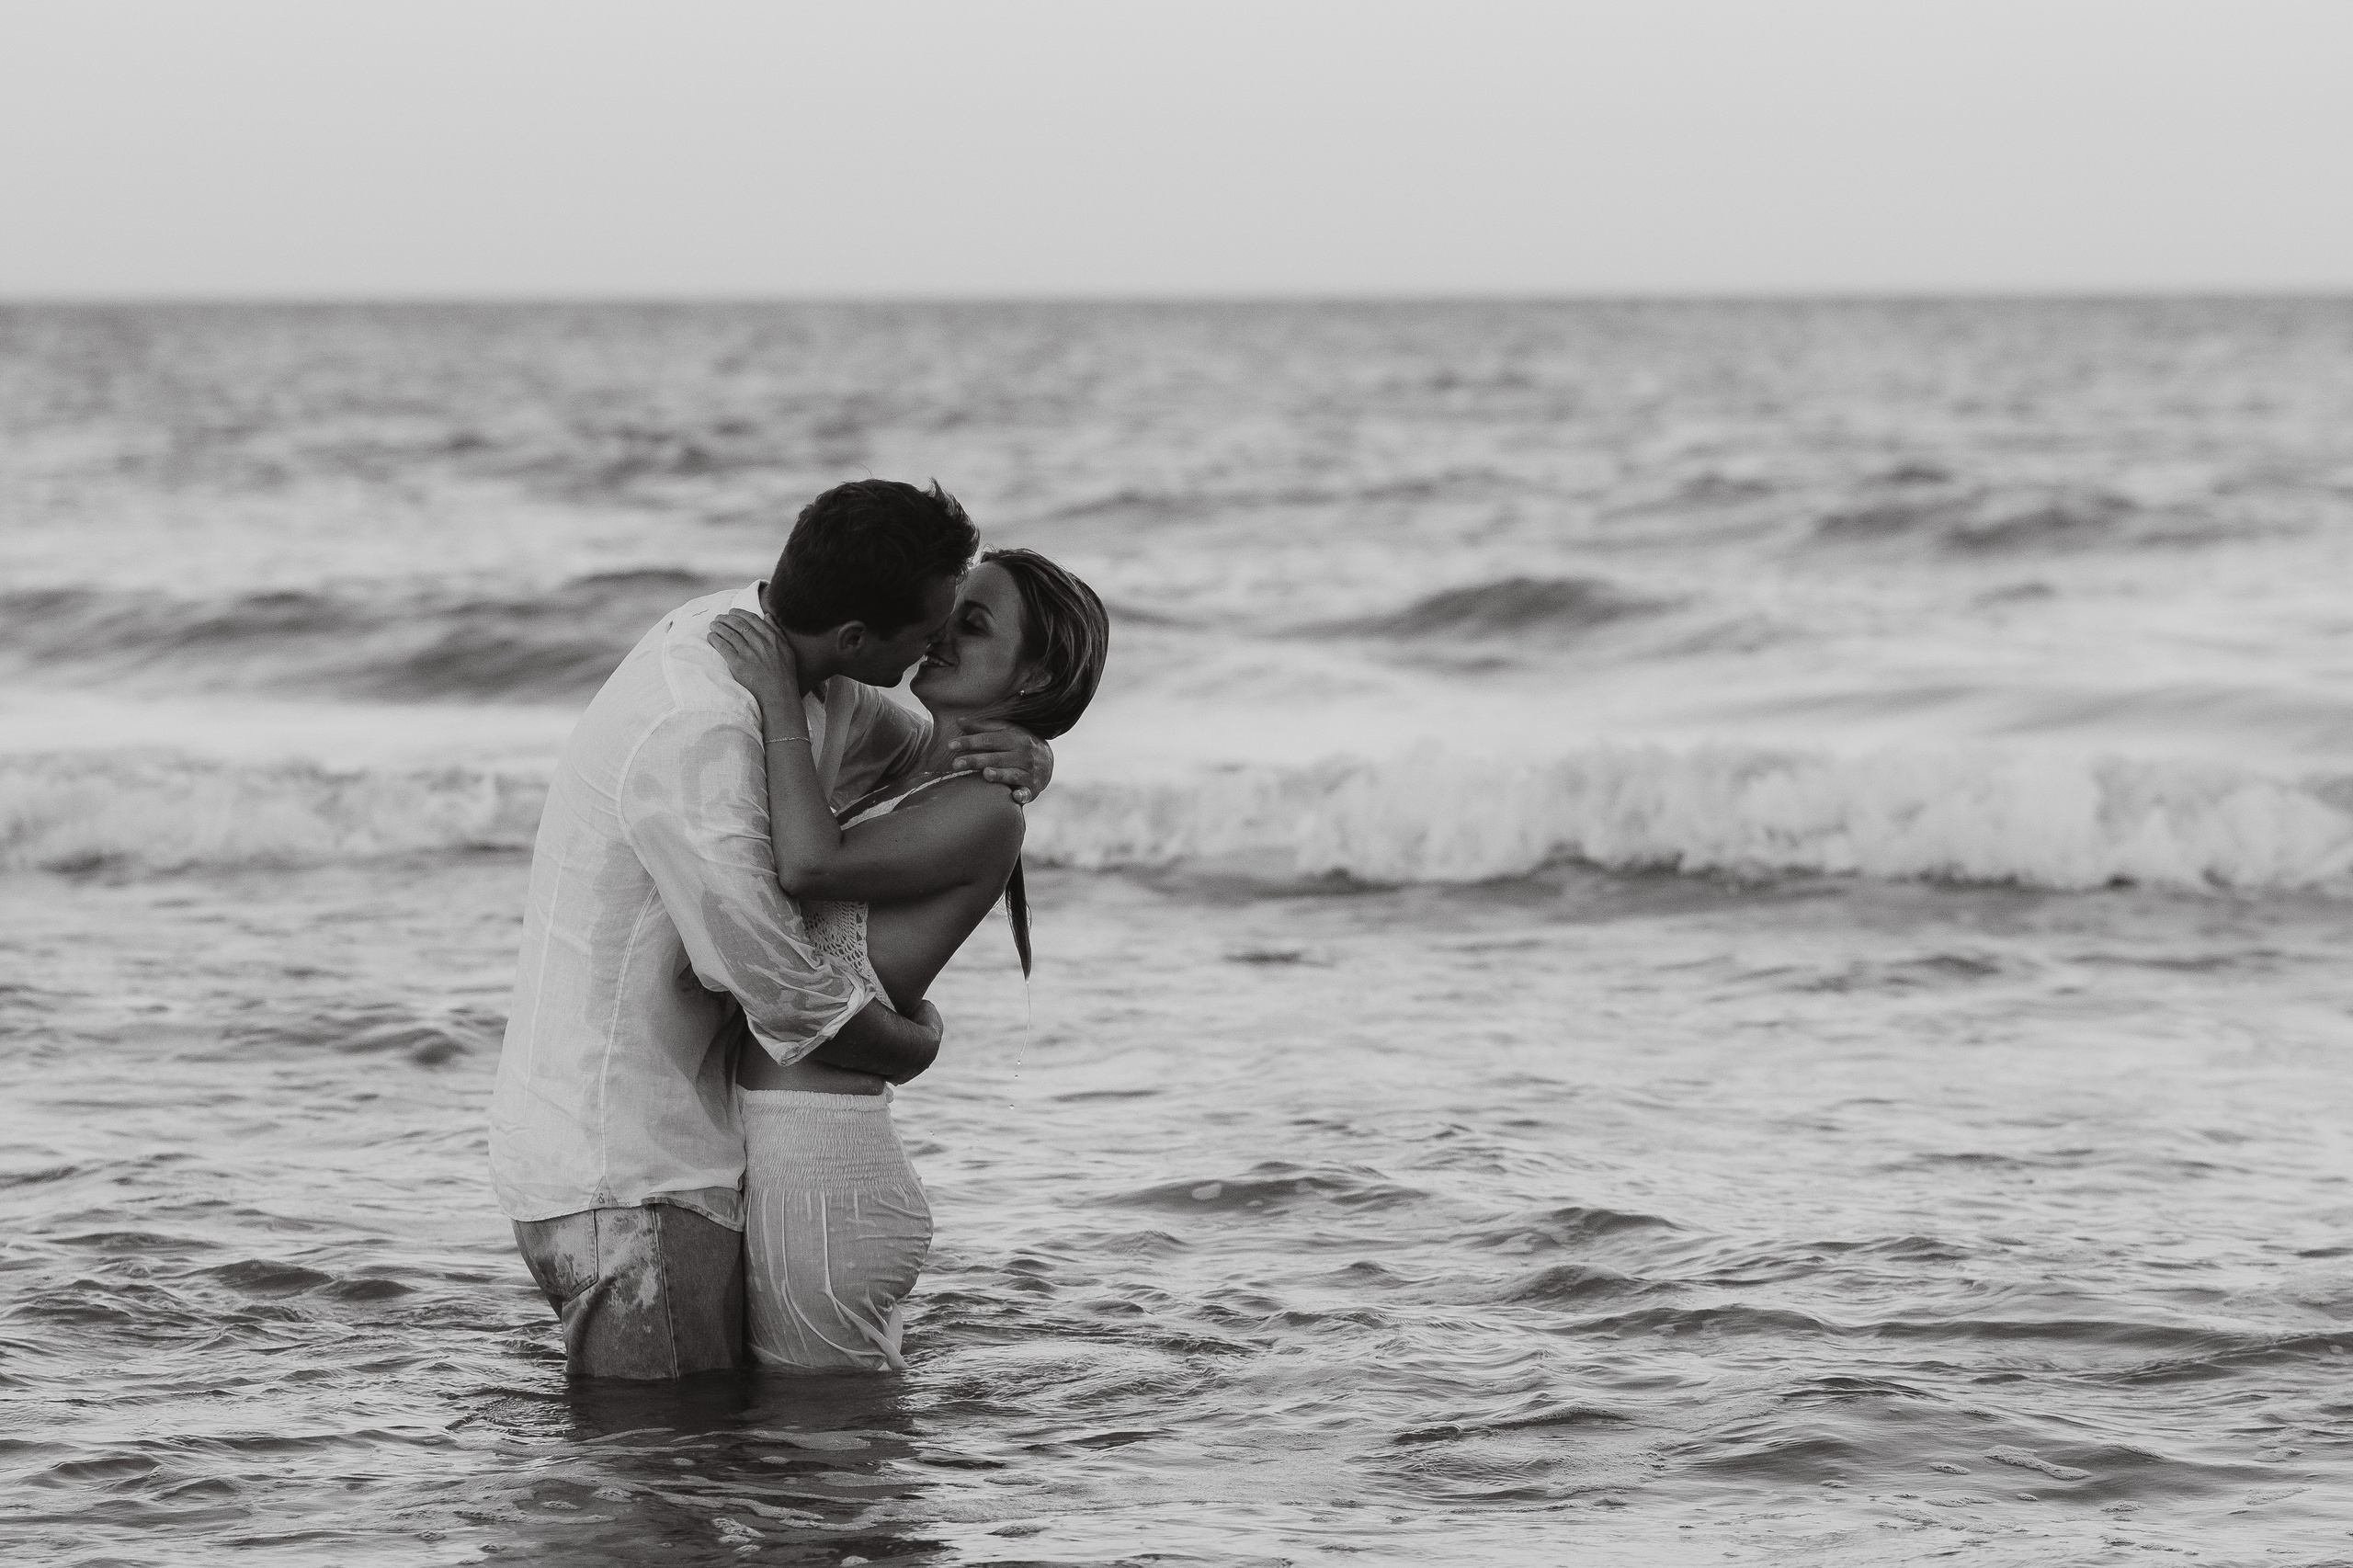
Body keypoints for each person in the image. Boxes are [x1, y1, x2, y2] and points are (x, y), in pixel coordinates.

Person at [488, 480, 1051, 1380]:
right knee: (659, 1482)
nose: (935, 646)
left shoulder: (786, 654)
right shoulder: (705, 723)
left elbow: (920, 777)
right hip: (628, 1168)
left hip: (686, 1155)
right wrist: (914, 1043)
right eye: (931, 627)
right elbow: (774, 984)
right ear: (859, 638)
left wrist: (1033, 753)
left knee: (702, 1477)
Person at [704, 546, 1108, 1372]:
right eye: (950, 611)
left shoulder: (987, 811)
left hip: (821, 1166)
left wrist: (778, 695)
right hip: (783, 1148)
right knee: (781, 1471)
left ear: (1033, 678)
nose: (940, 633)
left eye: (975, 623)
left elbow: (810, 866)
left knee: (831, 1475)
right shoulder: (918, 764)